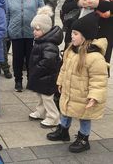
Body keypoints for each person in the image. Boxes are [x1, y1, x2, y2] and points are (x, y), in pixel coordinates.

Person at [47, 13, 108, 153]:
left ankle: (83, 138)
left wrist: (94, 96)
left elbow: (98, 80)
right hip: (69, 91)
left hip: (83, 95)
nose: (72, 36)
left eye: (75, 33)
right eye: (72, 33)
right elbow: (64, 68)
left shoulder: (95, 57)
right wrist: (60, 82)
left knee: (84, 117)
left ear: (85, 36)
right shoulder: (70, 50)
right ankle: (63, 130)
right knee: (65, 111)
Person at [5, 0, 44, 92]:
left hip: (32, 32)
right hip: (15, 32)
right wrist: (6, 31)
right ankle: (18, 81)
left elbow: (43, 12)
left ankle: (31, 80)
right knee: (17, 58)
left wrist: (42, 28)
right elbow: (6, 15)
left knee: (32, 58)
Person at [27, 5, 63, 128]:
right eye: (34, 29)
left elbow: (48, 62)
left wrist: (36, 69)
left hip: (47, 77)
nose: (34, 32)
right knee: (40, 95)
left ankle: (53, 117)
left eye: (37, 29)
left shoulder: (49, 45)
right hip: (41, 76)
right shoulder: (41, 41)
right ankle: (41, 112)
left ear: (45, 30)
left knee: (48, 98)